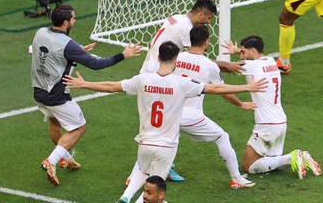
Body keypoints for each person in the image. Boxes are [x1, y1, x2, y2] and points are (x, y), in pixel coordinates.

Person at [63, 41, 267, 203]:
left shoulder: (142, 80)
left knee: (142, 172)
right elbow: (216, 89)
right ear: (176, 59)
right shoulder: (182, 83)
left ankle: (125, 198)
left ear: (158, 57)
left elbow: (111, 85)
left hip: (144, 142)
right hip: (166, 146)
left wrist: (84, 83)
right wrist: (247, 88)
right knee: (153, 193)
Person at [128, 25, 256, 189]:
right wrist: (240, 103)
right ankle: (236, 178)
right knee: (221, 137)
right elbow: (222, 91)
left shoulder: (175, 56)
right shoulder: (209, 65)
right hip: (191, 116)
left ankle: (134, 178)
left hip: (168, 113)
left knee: (153, 142)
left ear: (189, 40)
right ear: (207, 42)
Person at [31, 3, 142, 186]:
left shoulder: (40, 32)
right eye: (74, 18)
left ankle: (64, 158)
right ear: (66, 22)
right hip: (57, 95)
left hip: (39, 91)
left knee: (55, 123)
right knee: (79, 127)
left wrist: (78, 50)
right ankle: (51, 161)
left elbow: (52, 50)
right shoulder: (68, 45)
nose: (75, 20)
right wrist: (123, 55)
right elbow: (97, 65)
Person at [139, 0, 244, 181]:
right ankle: (142, 173)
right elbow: (195, 57)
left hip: (151, 73)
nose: (209, 22)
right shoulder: (186, 28)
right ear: (201, 14)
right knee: (160, 131)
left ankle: (157, 168)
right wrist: (224, 65)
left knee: (162, 129)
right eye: (209, 18)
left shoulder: (176, 18)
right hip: (158, 78)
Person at [222, 35, 322, 179]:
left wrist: (197, 60)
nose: (241, 56)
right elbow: (251, 58)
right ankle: (302, 157)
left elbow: (225, 67)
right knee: (272, 163)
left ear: (254, 51)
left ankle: (292, 157)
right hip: (280, 122)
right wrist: (238, 50)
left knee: (248, 165)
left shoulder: (251, 66)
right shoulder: (271, 61)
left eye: (243, 52)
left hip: (266, 125)